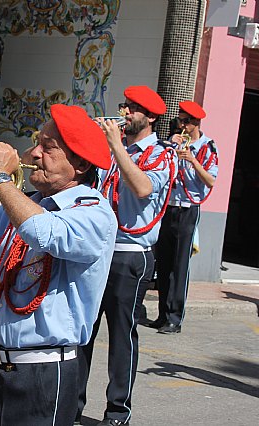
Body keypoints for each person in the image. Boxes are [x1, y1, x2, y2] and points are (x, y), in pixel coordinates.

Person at [0, 104, 117, 425]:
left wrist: (0, 179)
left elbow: (44, 233)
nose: (33, 153)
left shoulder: (94, 212)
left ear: (79, 164)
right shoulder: (26, 204)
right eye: (36, 142)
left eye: (48, 148)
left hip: (44, 373)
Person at [76, 86, 177, 426]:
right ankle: (71, 405)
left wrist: (116, 146)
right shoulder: (115, 149)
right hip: (99, 249)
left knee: (121, 336)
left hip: (131, 254)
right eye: (125, 105)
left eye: (133, 108)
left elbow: (143, 188)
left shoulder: (162, 154)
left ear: (150, 118)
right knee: (82, 332)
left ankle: (118, 411)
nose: (125, 111)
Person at [150, 101, 218, 334]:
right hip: (168, 206)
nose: (182, 125)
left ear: (196, 123)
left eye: (186, 122)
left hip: (188, 208)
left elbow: (210, 180)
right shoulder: (174, 141)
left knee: (179, 265)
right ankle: (162, 314)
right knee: (164, 261)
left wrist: (192, 160)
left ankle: (175, 317)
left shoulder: (207, 147)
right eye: (180, 120)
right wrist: (169, 147)